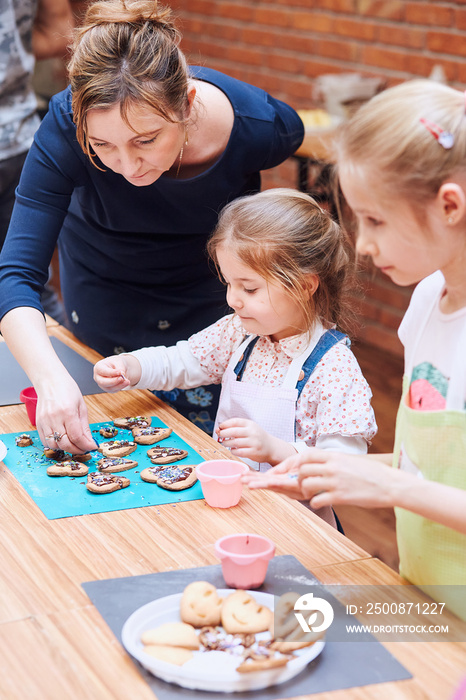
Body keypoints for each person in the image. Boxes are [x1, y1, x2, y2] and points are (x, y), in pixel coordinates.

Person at [0, 0, 305, 452]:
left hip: (211, 315)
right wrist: (50, 379)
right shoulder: (64, 128)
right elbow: (15, 275)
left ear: (186, 104)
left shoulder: (259, 127)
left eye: (146, 140)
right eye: (102, 145)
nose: (127, 166)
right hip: (104, 296)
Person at [244, 80, 466, 619]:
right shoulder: (426, 302)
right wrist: (323, 467)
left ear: (450, 205)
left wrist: (387, 484)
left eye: (376, 220)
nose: (361, 244)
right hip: (432, 595)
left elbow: (409, 484)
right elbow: (436, 467)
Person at [94, 188, 377, 526]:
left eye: (250, 288)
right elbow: (183, 361)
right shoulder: (239, 334)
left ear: (305, 285)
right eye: (229, 284)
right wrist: (133, 366)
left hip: (296, 526)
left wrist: (275, 450)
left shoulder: (334, 368)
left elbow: (344, 469)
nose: (233, 300)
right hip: (226, 506)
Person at [0, 0, 72, 322]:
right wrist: (13, 50)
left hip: (21, 140)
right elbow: (60, 33)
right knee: (30, 281)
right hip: (20, 136)